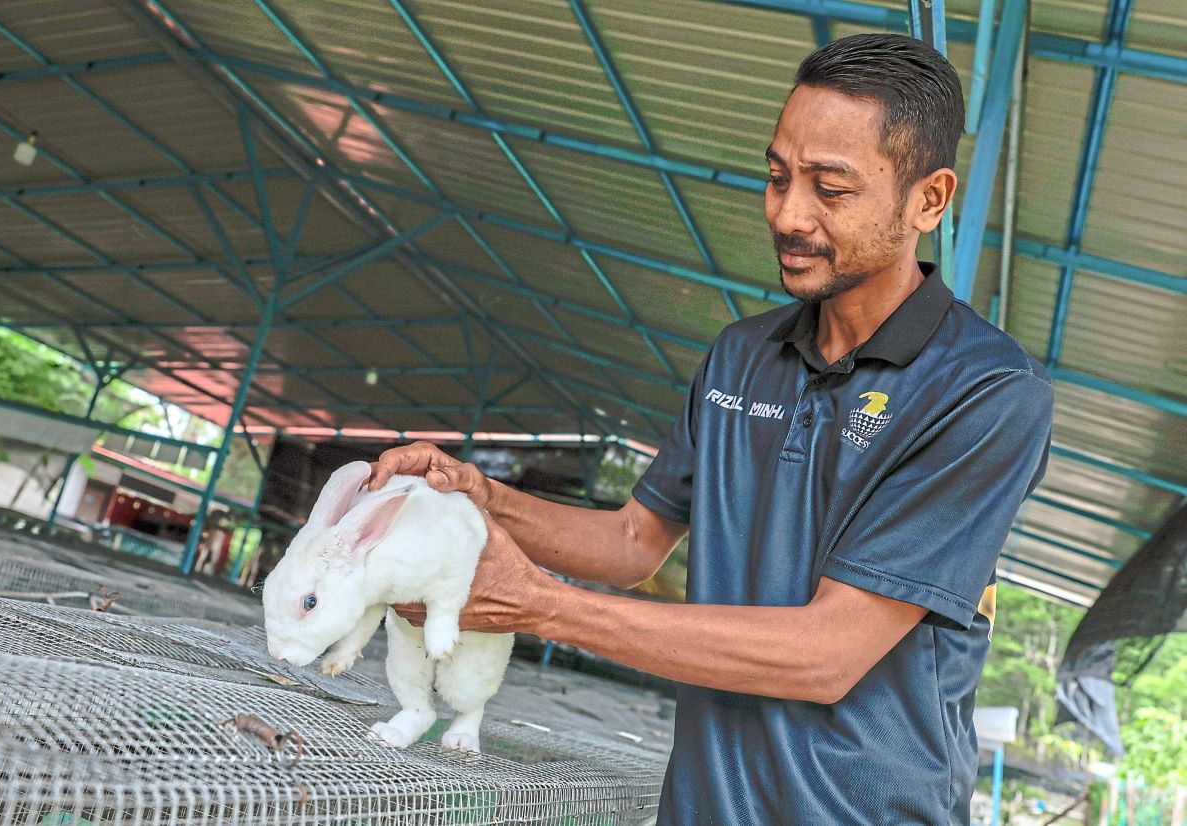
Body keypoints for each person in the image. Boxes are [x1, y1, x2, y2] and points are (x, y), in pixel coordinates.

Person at [368, 32, 1054, 825]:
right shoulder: (741, 356)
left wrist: (539, 605)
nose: (789, 214)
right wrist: (481, 495)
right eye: (776, 177)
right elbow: (632, 544)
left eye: (830, 189)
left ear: (929, 200)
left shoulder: (987, 390)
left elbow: (828, 654)